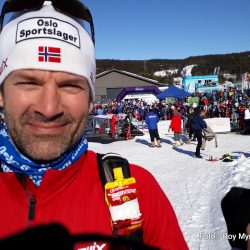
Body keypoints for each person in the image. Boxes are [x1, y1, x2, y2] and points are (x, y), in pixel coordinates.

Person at [0, 1, 188, 249]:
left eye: (70, 86)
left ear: (90, 101)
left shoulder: (138, 190)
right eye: (29, 83)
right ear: (1, 94)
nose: (48, 108)